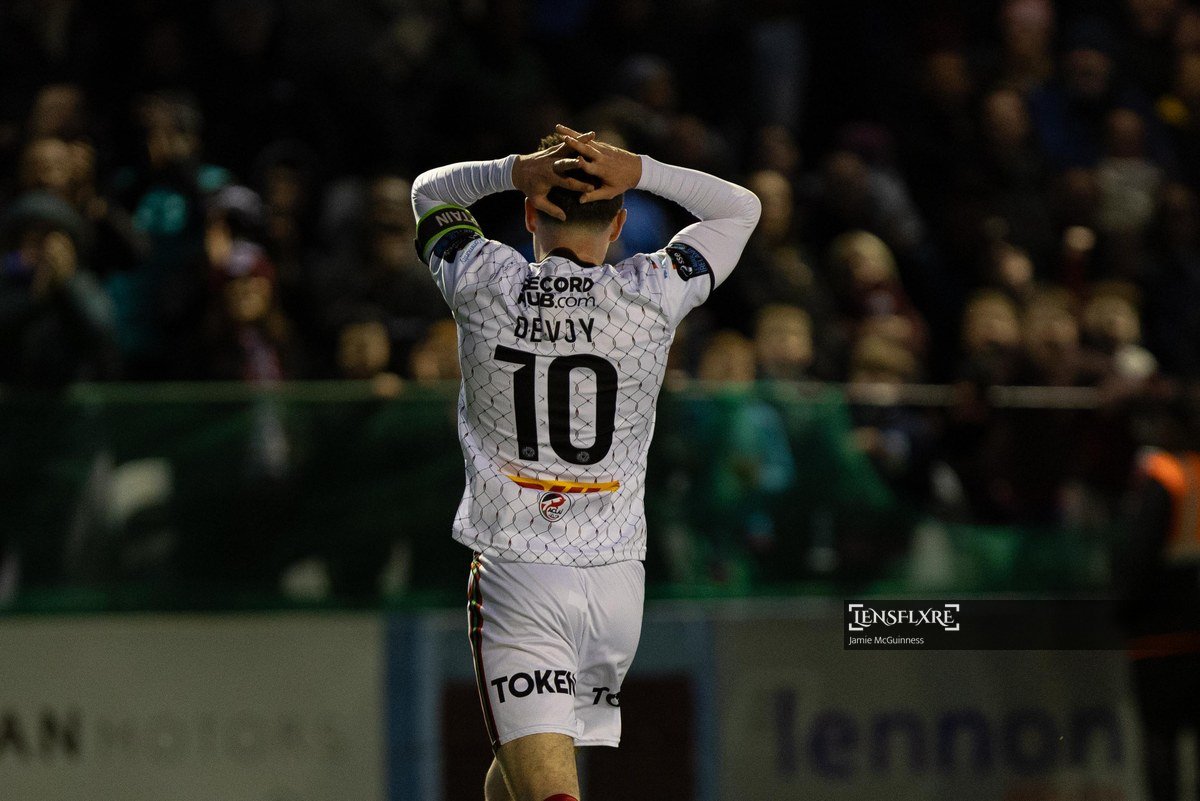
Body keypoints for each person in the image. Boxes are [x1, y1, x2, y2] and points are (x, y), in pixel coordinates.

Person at [410, 124, 760, 801]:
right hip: (617, 579)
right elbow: (741, 208)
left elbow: (430, 193)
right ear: (622, 221)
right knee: (516, 777)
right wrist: (646, 168)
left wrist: (512, 168)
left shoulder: (482, 279)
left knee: (548, 789)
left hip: (520, 566)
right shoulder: (653, 289)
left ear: (531, 213)